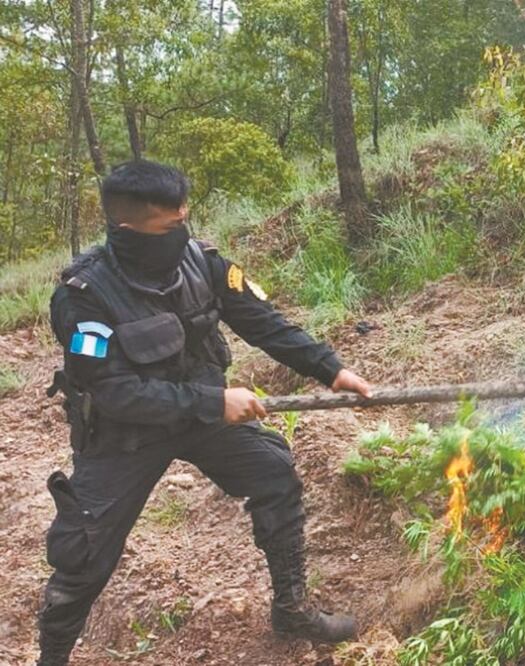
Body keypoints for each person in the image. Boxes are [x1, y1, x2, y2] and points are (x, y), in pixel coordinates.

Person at [37, 160, 371, 665]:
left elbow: (265, 323)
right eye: (170, 223)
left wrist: (330, 369)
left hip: (200, 416)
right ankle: (53, 656)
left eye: (185, 215)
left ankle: (292, 609)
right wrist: (215, 401)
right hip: (124, 436)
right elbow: (114, 393)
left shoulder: (204, 262)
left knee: (274, 473)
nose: (183, 229)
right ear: (126, 226)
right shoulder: (82, 298)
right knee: (83, 554)